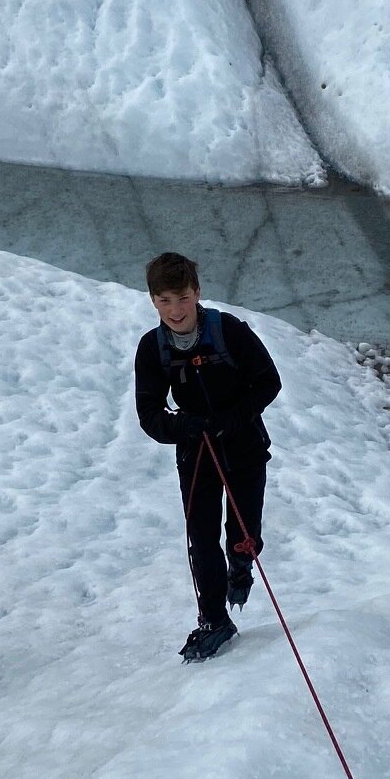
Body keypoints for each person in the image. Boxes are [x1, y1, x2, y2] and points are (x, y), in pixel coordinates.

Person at [134, 252, 282, 662]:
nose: (175, 310)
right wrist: (183, 428)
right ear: (152, 301)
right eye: (164, 301)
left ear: (196, 293)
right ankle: (214, 619)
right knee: (201, 538)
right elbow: (149, 413)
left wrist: (230, 420)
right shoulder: (153, 348)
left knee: (242, 532)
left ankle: (242, 562)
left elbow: (268, 382)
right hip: (196, 454)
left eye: (181, 298)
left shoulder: (228, 331)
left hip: (244, 446)